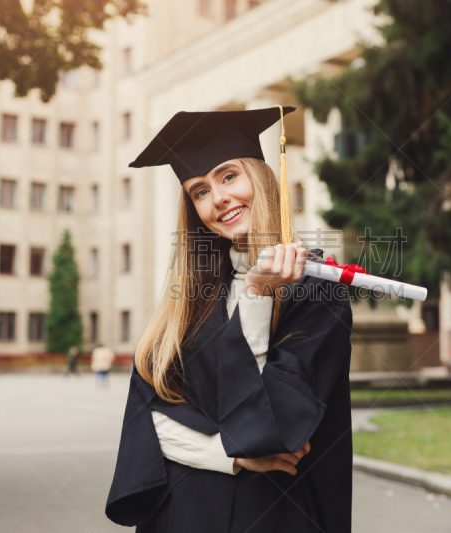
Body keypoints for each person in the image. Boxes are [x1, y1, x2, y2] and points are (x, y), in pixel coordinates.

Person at [105, 107, 354, 533]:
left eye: (227, 176)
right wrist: (229, 454)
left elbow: (272, 425)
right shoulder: (189, 301)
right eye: (199, 191)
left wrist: (258, 293)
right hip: (183, 515)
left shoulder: (317, 289)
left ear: (259, 177)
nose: (217, 198)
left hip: (276, 515)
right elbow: (145, 422)